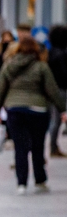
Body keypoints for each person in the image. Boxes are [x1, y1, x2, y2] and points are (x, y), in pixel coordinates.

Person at [0, 36, 67, 194]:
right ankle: (40, 179)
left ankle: (21, 183)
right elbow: (52, 90)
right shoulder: (41, 66)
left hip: (15, 109)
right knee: (37, 146)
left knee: (20, 147)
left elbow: (0, 88)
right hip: (38, 110)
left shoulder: (9, 65)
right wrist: (62, 109)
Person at [47, 25, 67, 157]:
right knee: (57, 118)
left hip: (50, 89)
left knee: (54, 118)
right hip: (60, 89)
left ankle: (53, 145)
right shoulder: (61, 55)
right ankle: (53, 146)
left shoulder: (49, 53)